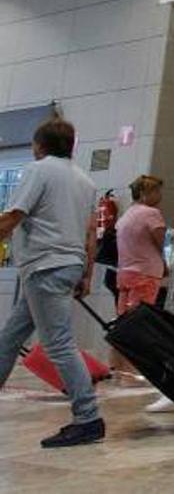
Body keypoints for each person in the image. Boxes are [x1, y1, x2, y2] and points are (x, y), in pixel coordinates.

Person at [0, 119, 104, 448]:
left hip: (45, 266)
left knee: (58, 344)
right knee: (10, 336)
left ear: (39, 145)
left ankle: (88, 418)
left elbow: (13, 216)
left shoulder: (39, 170)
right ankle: (87, 416)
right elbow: (91, 233)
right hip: (66, 265)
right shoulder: (85, 181)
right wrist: (86, 274)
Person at [112, 174, 167, 375]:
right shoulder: (152, 214)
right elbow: (163, 244)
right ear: (145, 193)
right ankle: (134, 367)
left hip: (125, 272)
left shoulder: (127, 214)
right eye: (156, 191)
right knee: (139, 323)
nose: (160, 195)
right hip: (146, 274)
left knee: (122, 320)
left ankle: (118, 364)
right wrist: (168, 264)